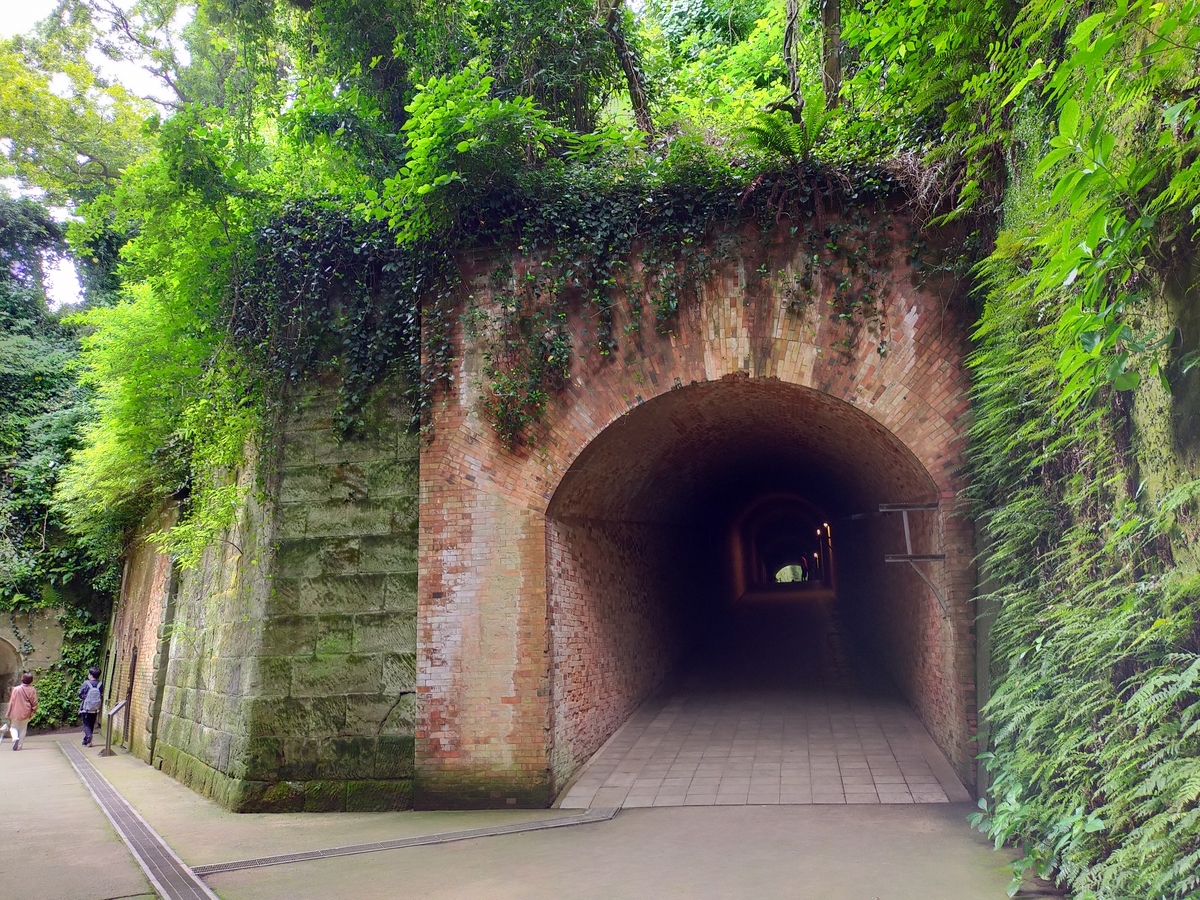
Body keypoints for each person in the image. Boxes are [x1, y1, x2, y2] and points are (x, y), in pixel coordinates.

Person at [7, 672, 37, 750]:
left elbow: (11, 702)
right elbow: (34, 702)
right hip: (26, 712)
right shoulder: (32, 689)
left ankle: (15, 738)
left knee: (13, 727)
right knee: (23, 729)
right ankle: (20, 745)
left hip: (15, 712)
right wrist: (33, 711)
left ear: (22, 679)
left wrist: (8, 712)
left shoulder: (16, 689)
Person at [78, 666, 104, 747]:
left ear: (91, 675)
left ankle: (89, 737)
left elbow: (80, 693)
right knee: (92, 724)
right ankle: (86, 741)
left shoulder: (86, 683)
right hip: (95, 708)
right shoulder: (100, 684)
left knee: (86, 724)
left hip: (86, 708)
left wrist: (83, 697)